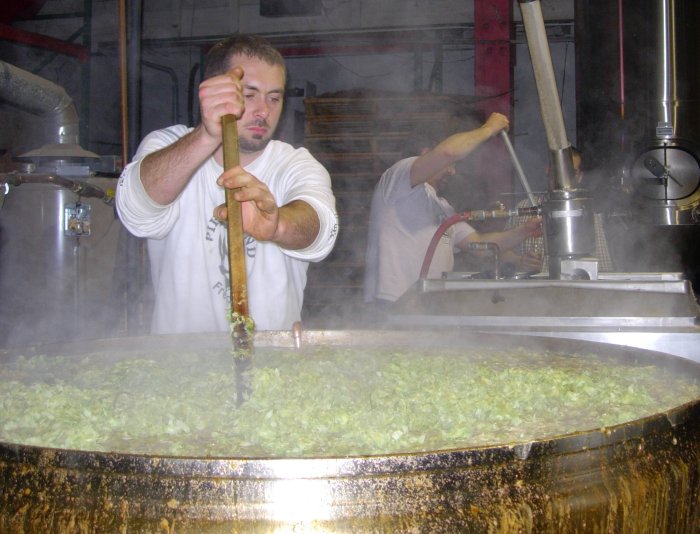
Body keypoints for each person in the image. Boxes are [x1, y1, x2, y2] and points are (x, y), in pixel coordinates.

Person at [116, 34, 338, 334]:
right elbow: (136, 211)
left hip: (273, 367)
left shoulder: (294, 163)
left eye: (274, 98)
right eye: (249, 95)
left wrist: (277, 226)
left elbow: (320, 228)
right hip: (176, 368)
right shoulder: (167, 145)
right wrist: (209, 135)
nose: (264, 111)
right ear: (214, 92)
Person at [363, 112, 543, 308]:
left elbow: (481, 246)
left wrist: (524, 231)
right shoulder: (400, 177)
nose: (452, 171)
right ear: (426, 152)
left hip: (426, 306)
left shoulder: (443, 207)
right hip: (392, 303)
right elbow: (448, 152)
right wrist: (488, 129)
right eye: (451, 166)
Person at [504, 147, 614, 273]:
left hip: (571, 290)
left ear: (579, 177)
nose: (563, 178)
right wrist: (518, 260)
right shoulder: (524, 208)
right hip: (532, 290)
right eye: (558, 170)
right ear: (548, 170)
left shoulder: (587, 214)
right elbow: (499, 251)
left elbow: (604, 268)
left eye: (571, 172)